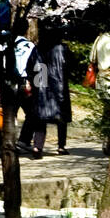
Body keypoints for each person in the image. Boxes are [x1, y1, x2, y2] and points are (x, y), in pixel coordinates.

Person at [18, 22, 72, 156]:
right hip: (59, 85)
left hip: (41, 83)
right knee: (61, 118)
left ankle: (37, 147)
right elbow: (70, 66)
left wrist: (34, 81)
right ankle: (61, 146)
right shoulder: (62, 48)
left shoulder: (38, 48)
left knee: (40, 118)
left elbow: (31, 66)